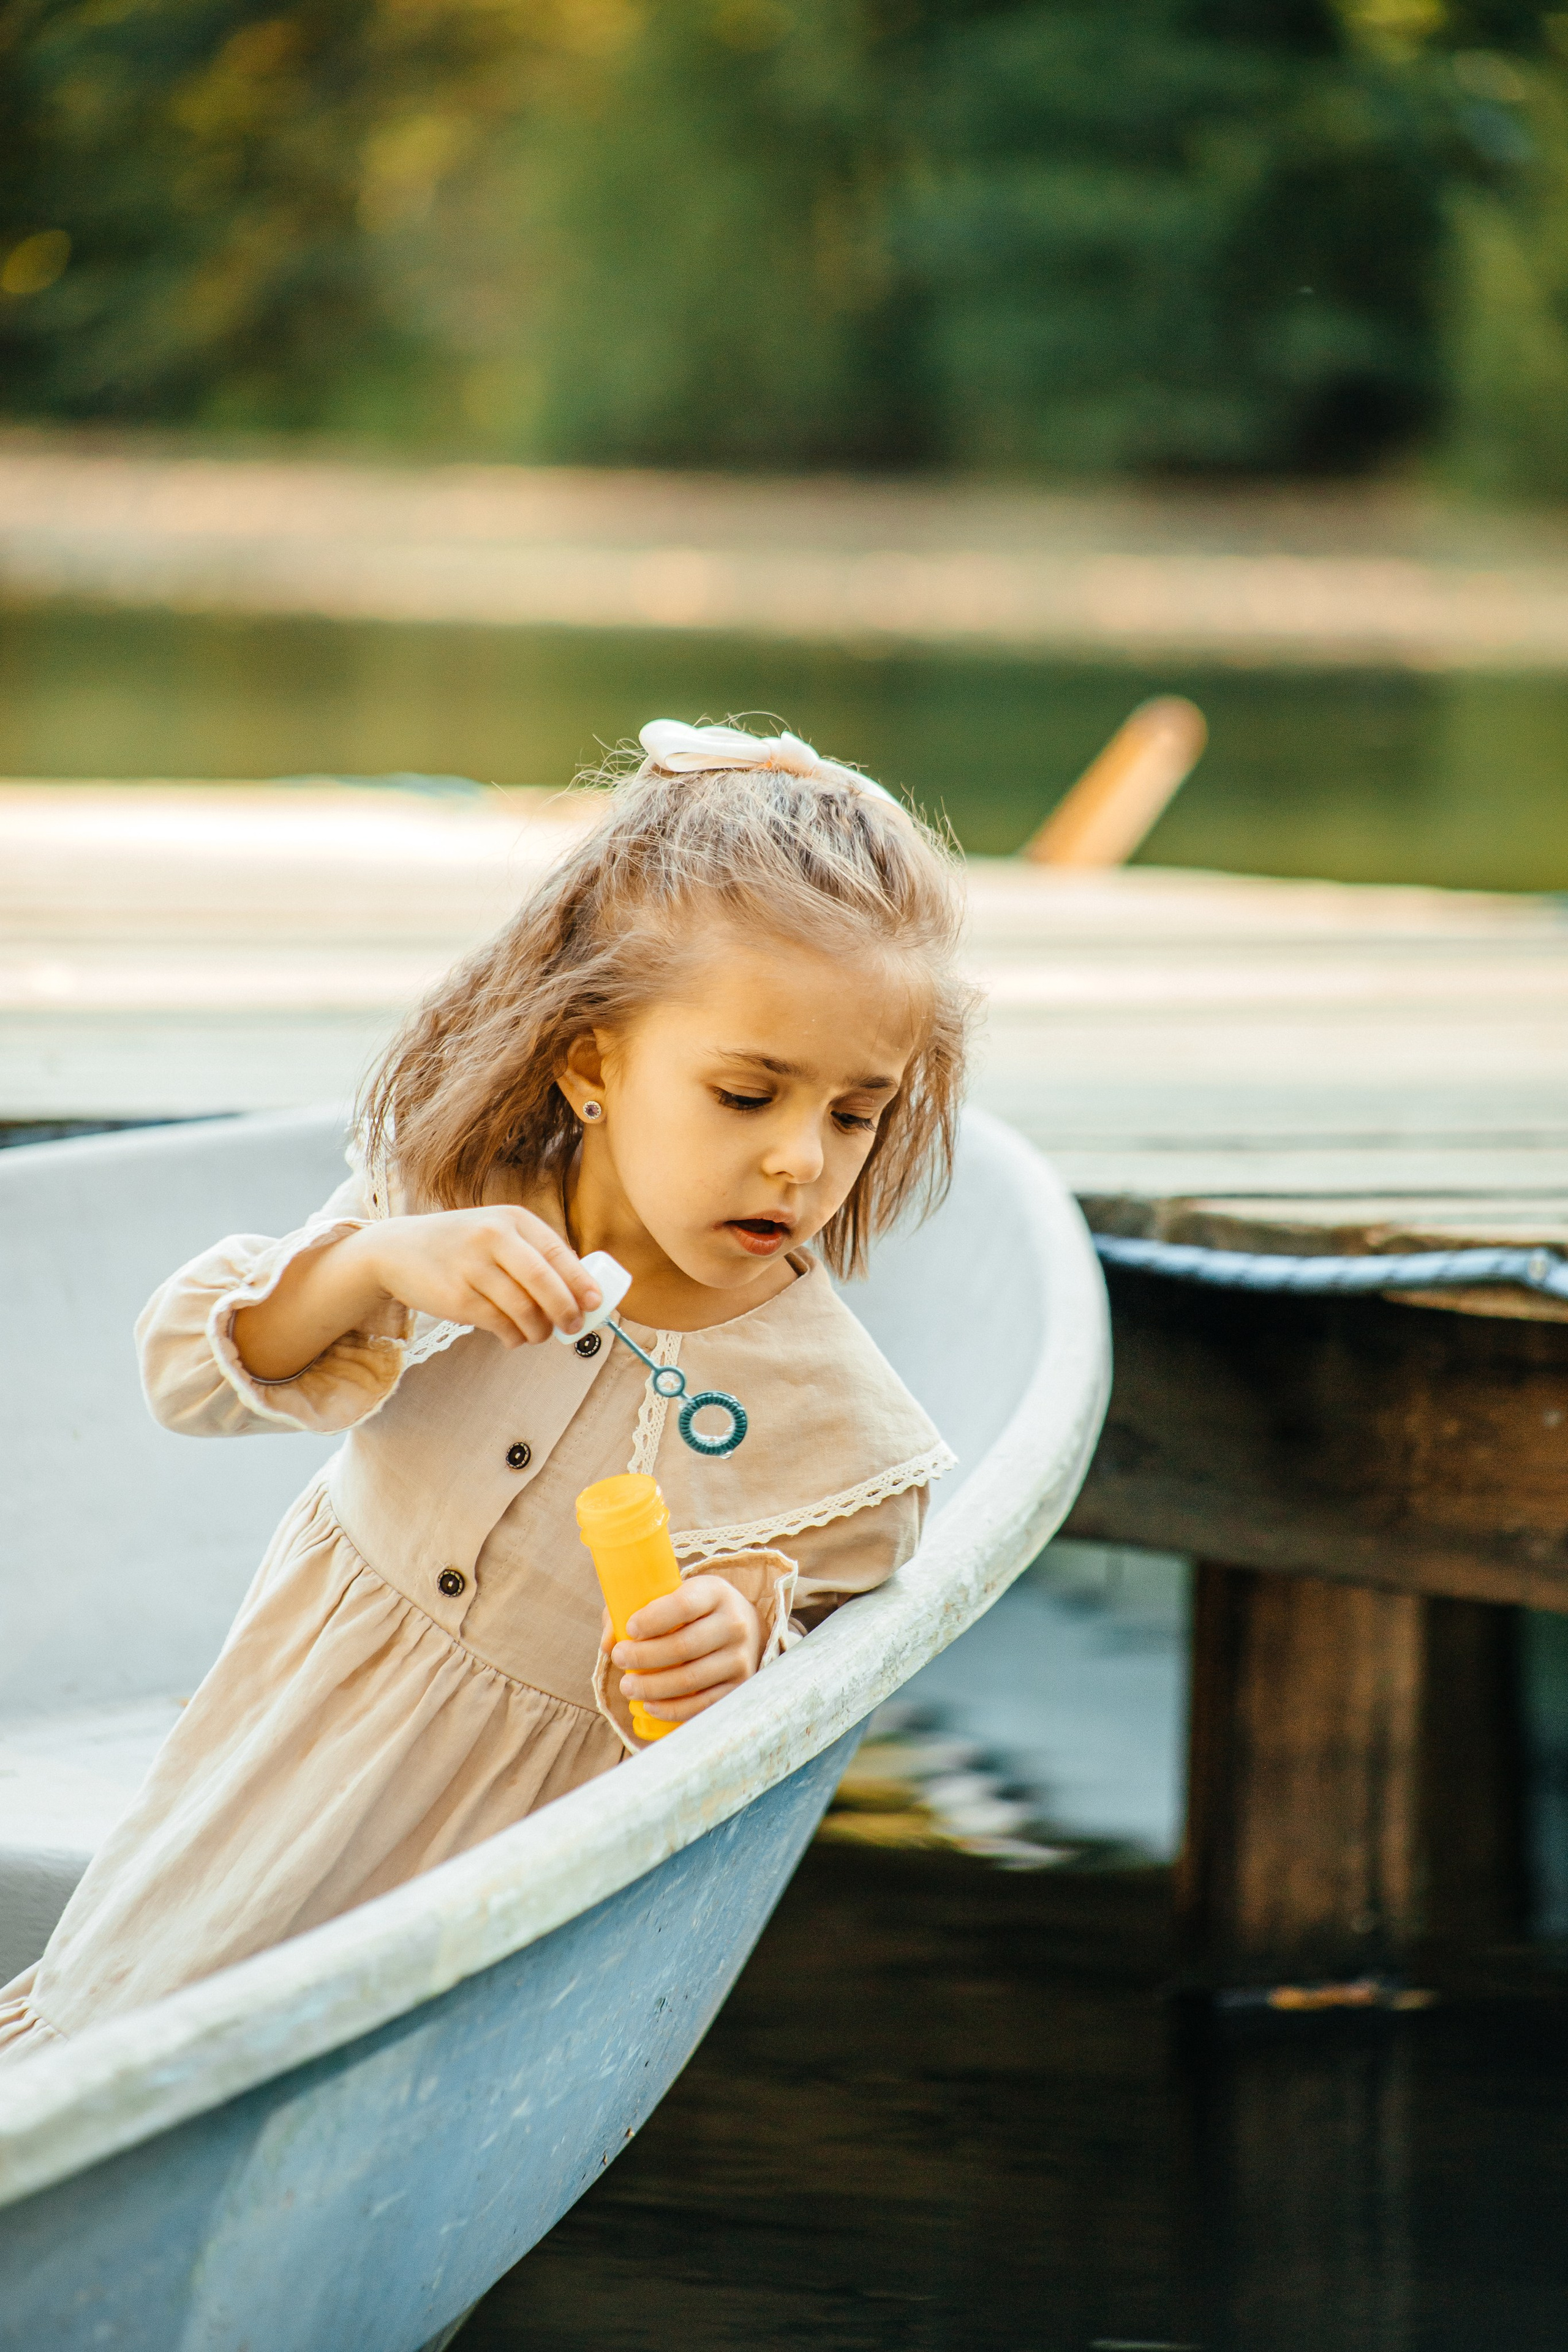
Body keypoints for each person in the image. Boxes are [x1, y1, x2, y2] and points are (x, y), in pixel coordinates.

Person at [0, 720, 974, 2060]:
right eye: (745, 1095)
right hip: (277, 1773)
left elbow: (767, 1706)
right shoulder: (453, 1216)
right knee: (116, 2027)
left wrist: (738, 1646)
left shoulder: (836, 1434)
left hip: (482, 1875)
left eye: (855, 1115)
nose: (800, 1162)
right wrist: (374, 1265)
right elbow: (190, 1376)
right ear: (591, 1063)